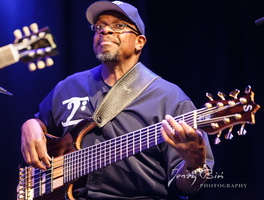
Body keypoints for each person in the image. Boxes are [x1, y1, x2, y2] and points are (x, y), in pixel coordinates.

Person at [20, 1, 214, 199]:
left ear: (139, 42)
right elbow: (42, 124)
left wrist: (194, 164)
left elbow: (187, 187)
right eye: (99, 26)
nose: (105, 31)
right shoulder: (68, 86)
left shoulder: (171, 98)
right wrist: (30, 125)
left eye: (118, 26)